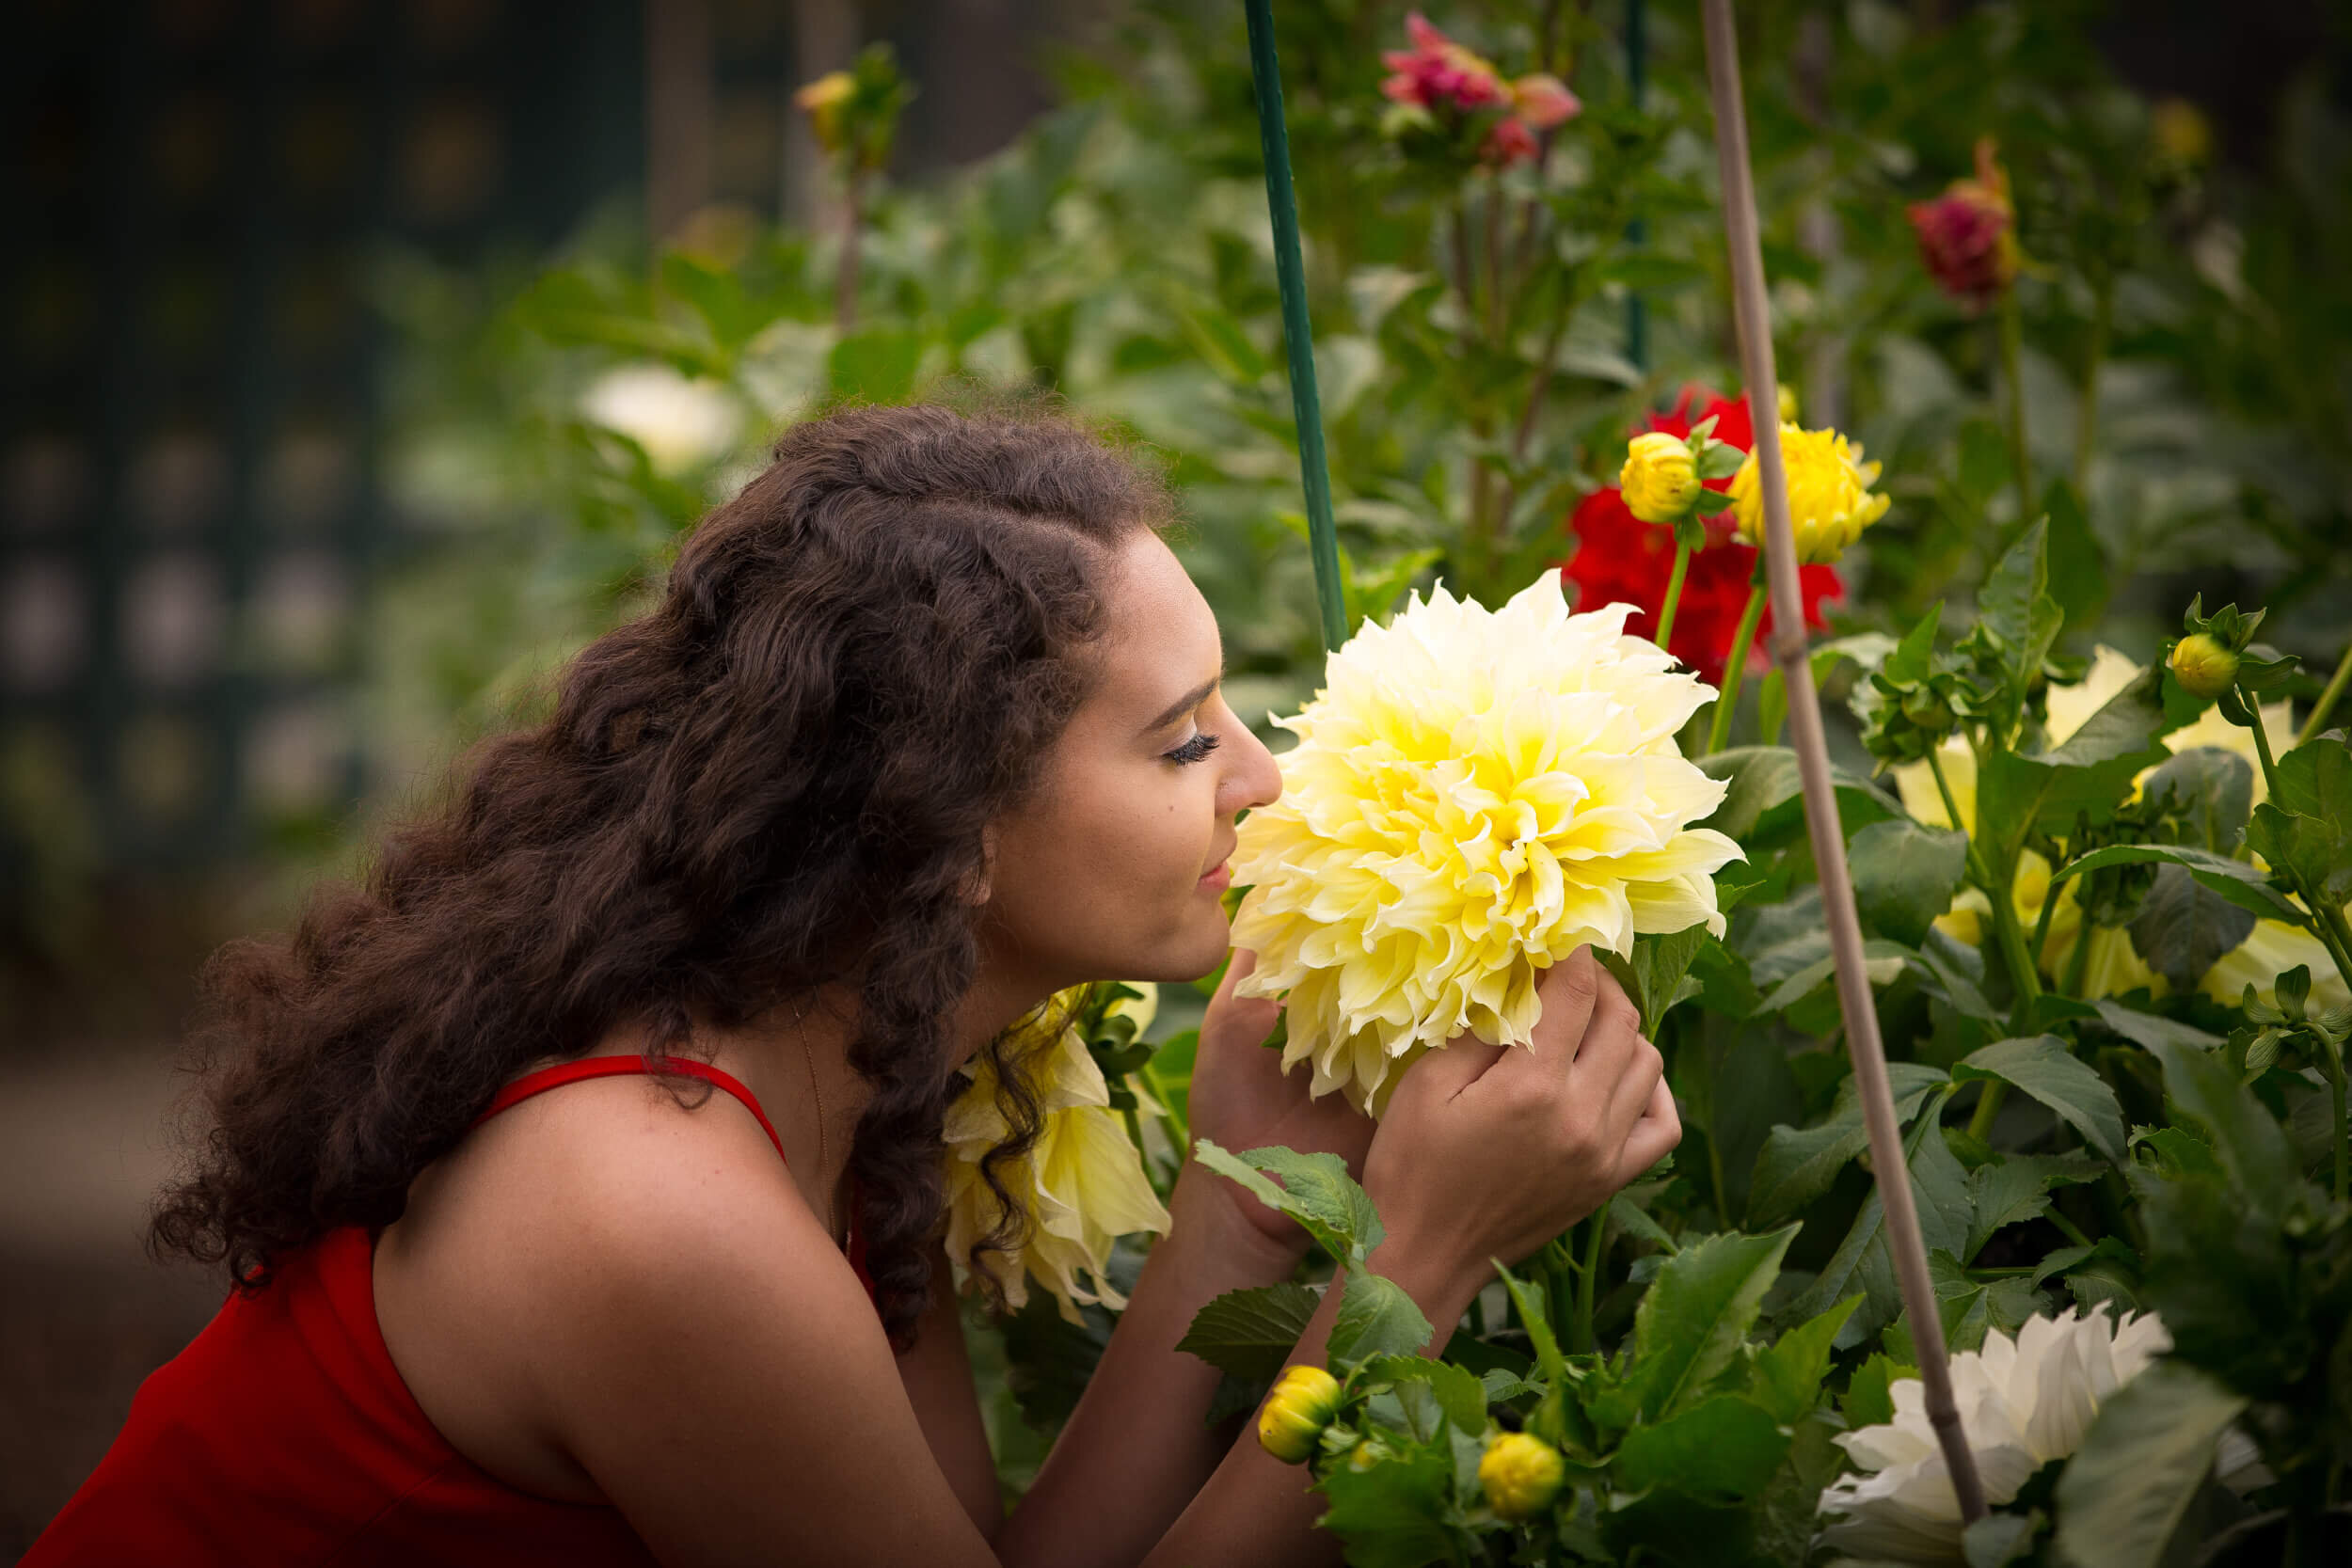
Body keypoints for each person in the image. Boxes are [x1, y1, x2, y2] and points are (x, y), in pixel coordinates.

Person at [27, 404, 1678, 1567]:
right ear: (944, 826)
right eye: (1186, 741)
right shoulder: (657, 1206)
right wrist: (1414, 1264)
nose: (1267, 781)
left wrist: (1237, 1207)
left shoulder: (852, 1083)